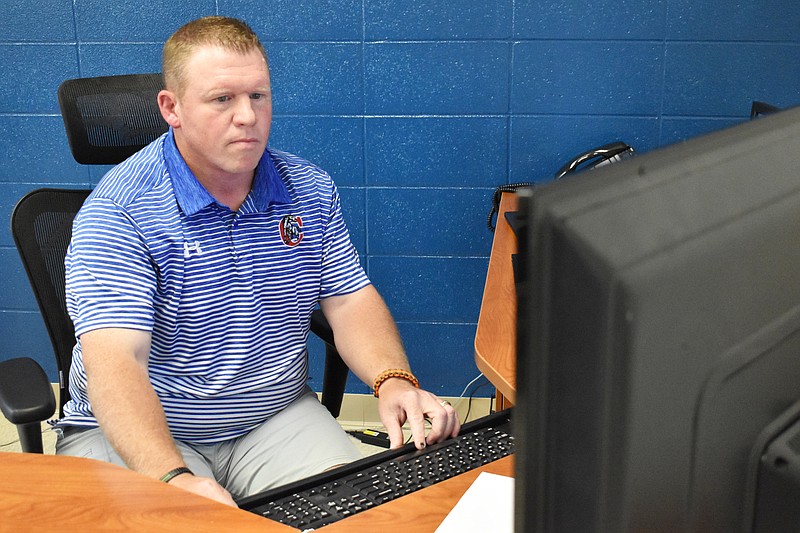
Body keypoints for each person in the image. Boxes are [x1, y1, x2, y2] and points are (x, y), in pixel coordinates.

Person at [56, 16, 460, 507]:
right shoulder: (119, 211)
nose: (247, 116)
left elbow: (349, 300)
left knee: (367, 515)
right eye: (222, 98)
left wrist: (392, 379)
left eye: (258, 96)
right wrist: (172, 477)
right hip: (150, 431)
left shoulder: (306, 187)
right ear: (172, 107)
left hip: (274, 417)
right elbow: (115, 361)